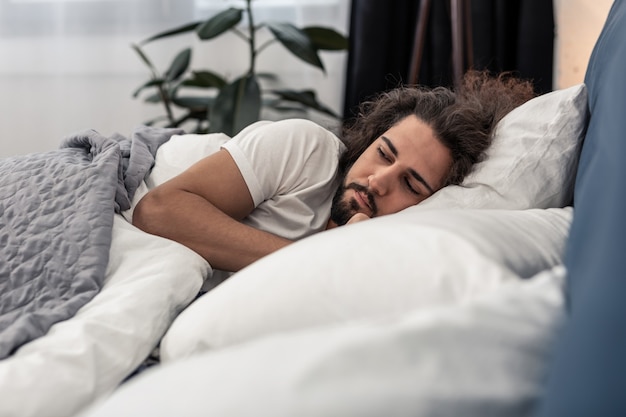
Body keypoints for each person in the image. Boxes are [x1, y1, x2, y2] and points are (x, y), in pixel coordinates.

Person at [132, 70, 535, 278]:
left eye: (410, 184)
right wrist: (316, 258)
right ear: (370, 139)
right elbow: (160, 210)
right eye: (383, 154)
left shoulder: (386, 252)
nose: (378, 181)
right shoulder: (307, 150)